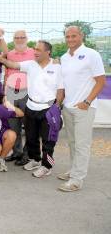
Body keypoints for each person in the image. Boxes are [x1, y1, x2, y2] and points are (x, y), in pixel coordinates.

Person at [0, 40, 64, 178]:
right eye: (35, 49)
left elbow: (60, 90)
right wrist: (1, 59)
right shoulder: (31, 64)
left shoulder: (57, 67)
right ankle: (36, 160)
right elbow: (13, 64)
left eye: (38, 50)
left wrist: (57, 107)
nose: (35, 52)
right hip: (31, 106)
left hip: (48, 109)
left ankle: (46, 166)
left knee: (47, 141)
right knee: (31, 138)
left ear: (47, 52)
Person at [58, 25, 106, 192]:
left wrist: (86, 101)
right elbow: (64, 84)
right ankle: (73, 170)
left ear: (81, 36)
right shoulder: (64, 57)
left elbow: (101, 81)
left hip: (84, 107)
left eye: (74, 36)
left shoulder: (92, 54)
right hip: (68, 107)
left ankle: (77, 179)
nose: (70, 39)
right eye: (68, 36)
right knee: (72, 142)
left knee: (82, 144)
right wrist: (60, 103)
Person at [3, 29, 35, 166]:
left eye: (22, 37)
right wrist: (5, 94)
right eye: (17, 37)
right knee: (13, 125)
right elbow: (7, 74)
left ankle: (27, 155)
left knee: (28, 126)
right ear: (14, 39)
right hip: (11, 92)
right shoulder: (9, 54)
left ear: (26, 38)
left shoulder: (34, 53)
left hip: (27, 92)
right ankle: (17, 152)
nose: (20, 39)